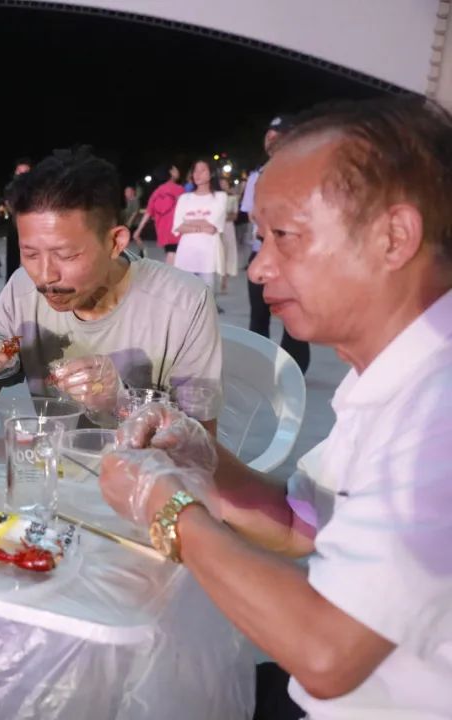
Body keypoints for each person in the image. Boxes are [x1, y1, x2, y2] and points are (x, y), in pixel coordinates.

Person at [99, 95, 452, 720]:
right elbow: (299, 524)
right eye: (260, 239)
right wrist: (202, 458)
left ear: (394, 237)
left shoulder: (437, 406)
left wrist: (167, 509)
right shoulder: (395, 377)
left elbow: (327, 653)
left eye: (285, 238)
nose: (260, 268)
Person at [0, 147, 221, 429]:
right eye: (30, 254)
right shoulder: (22, 289)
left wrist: (121, 404)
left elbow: (201, 442)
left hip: (143, 460)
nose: (45, 277)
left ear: (115, 242)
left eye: (66, 255)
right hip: (50, 456)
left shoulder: (184, 303)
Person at [242, 114, 311, 374]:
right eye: (269, 134)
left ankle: (291, 373)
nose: (271, 139)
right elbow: (251, 213)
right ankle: (258, 368)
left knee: (295, 319)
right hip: (261, 252)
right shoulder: (257, 175)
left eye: (278, 134)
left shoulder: (306, 172)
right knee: (259, 316)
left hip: (294, 258)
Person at [172, 158, 228, 289]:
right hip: (186, 254)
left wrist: (188, 222)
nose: (197, 174)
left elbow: (213, 227)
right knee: (186, 296)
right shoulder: (184, 198)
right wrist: (201, 227)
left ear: (211, 173)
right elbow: (178, 226)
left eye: (202, 170)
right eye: (195, 171)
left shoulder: (220, 197)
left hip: (208, 255)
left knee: (207, 295)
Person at [132, 164, 184, 265]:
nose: (178, 171)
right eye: (175, 169)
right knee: (174, 257)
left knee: (170, 254)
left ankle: (168, 273)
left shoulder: (156, 192)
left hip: (162, 231)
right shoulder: (179, 189)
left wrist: (138, 230)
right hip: (176, 230)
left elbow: (148, 212)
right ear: (171, 173)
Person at [3, 157, 33, 280]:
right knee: (13, 257)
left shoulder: (36, 188)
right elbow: (9, 205)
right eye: (20, 172)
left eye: (26, 173)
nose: (22, 176)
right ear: (16, 172)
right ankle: (10, 283)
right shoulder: (11, 187)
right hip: (15, 227)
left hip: (32, 227)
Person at [217, 176, 239, 293]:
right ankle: (219, 279)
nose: (222, 185)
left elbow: (234, 215)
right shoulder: (215, 197)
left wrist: (224, 217)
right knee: (218, 252)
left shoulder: (233, 197)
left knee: (228, 252)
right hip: (217, 228)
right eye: (221, 183)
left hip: (228, 227)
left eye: (224, 183)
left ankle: (224, 279)